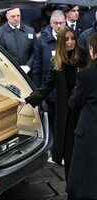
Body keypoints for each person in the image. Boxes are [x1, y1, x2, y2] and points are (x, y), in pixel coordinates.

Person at [18, 26, 81, 180]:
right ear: (60, 42)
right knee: (68, 150)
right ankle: (71, 187)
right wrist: (26, 100)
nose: (70, 42)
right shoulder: (57, 61)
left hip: (83, 110)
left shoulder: (84, 58)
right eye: (66, 39)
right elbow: (46, 87)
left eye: (72, 38)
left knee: (82, 150)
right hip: (66, 112)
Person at [66, 32, 97, 200]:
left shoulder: (87, 74)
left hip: (89, 131)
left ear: (92, 51)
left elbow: (74, 102)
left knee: (83, 176)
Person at [31, 10, 66, 136]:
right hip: (48, 89)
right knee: (50, 121)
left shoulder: (70, 39)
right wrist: (37, 91)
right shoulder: (42, 41)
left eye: (61, 23)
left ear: (65, 23)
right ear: (51, 23)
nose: (58, 26)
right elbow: (36, 67)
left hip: (65, 89)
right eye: (55, 23)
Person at [0, 8, 37, 75]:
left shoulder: (30, 30)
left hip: (29, 73)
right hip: (9, 72)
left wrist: (28, 66)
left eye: (18, 15)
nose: (16, 18)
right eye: (13, 16)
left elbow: (36, 51)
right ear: (7, 17)